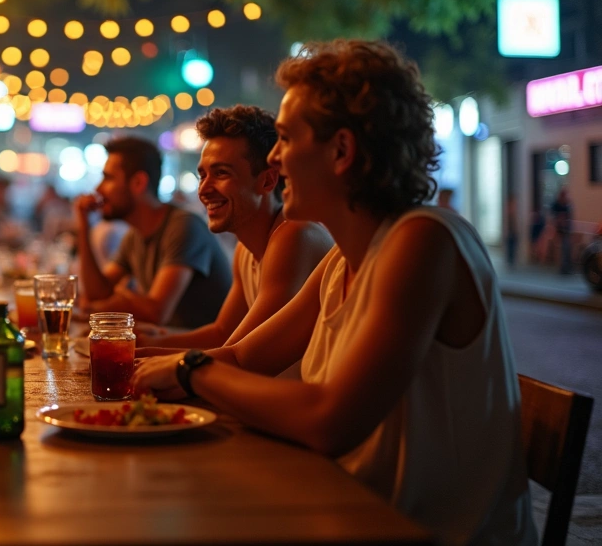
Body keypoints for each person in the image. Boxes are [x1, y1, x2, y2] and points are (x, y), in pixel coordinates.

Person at [133, 40, 536, 545]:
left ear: (341, 151)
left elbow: (329, 420)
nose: (275, 159)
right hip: (343, 509)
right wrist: (135, 362)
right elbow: (239, 355)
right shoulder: (341, 258)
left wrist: (190, 369)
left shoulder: (423, 241)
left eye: (284, 138)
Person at [136, 105, 332, 354]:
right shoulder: (245, 250)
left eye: (221, 173)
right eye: (202, 175)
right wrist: (148, 342)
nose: (204, 189)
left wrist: (134, 355)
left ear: (267, 181)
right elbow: (222, 333)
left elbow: (239, 355)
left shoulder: (294, 235)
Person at [74, 136, 232, 327]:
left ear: (139, 183)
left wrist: (119, 300)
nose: (98, 188)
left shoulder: (183, 226)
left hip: (203, 353)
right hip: (170, 348)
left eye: (108, 178)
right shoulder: (134, 237)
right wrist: (84, 225)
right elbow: (97, 293)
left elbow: (157, 312)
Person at [551, 188, 574, 274]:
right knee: (563, 248)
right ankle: (563, 267)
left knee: (566, 248)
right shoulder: (556, 205)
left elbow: (569, 218)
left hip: (566, 231)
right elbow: (553, 216)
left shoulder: (567, 205)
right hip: (558, 230)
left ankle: (566, 267)